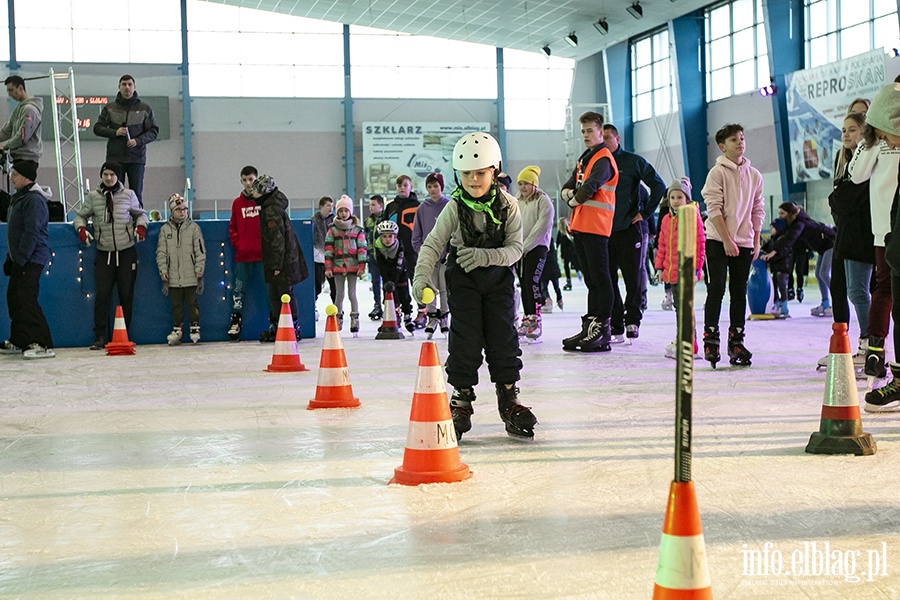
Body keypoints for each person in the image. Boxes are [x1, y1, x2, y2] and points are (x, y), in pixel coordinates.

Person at [412, 131, 536, 440]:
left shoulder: (509, 206)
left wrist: (482, 256)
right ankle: (461, 399)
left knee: (503, 336)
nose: (473, 179)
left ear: (494, 171)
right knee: (465, 337)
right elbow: (432, 245)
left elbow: (515, 250)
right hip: (464, 280)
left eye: (480, 173)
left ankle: (509, 398)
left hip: (498, 281)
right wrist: (421, 277)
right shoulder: (454, 208)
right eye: (467, 173)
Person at [701, 123, 765, 368]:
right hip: (718, 240)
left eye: (741, 138)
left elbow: (758, 209)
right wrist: (727, 239)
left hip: (745, 242)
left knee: (739, 291)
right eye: (733, 140)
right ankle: (711, 338)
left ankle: (736, 340)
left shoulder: (755, 175)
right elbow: (713, 208)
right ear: (722, 146)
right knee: (716, 288)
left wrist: (755, 239)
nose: (740, 142)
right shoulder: (717, 173)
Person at [73, 161, 148, 350]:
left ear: (118, 176)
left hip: (126, 252)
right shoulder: (93, 197)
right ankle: (99, 336)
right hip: (104, 252)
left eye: (112, 174)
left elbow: (141, 214)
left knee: (126, 295)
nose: (108, 178)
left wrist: (141, 226)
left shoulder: (128, 195)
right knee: (102, 296)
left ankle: (124, 334)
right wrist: (81, 229)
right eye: (105, 174)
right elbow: (80, 216)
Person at [560, 111, 618, 352]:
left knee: (601, 278)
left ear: (600, 131)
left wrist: (572, 200)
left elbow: (590, 187)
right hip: (582, 226)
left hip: (596, 226)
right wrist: (568, 193)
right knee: (591, 280)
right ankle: (590, 324)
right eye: (583, 131)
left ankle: (602, 327)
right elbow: (570, 184)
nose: (586, 135)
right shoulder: (585, 158)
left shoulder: (603, 159)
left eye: (590, 131)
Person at [602, 124, 666, 343]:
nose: (605, 141)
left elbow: (659, 186)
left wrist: (645, 213)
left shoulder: (632, 161)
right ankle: (616, 322)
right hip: (604, 231)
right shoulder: (596, 163)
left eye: (608, 137)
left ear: (617, 138)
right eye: (601, 138)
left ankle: (633, 321)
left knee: (633, 279)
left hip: (630, 230)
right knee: (608, 280)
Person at [858, 83, 900, 410]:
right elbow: (856, 174)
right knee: (886, 290)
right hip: (885, 229)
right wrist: (866, 141)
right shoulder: (876, 142)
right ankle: (877, 351)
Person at [822, 111, 874, 369]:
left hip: (862, 237)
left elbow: (844, 199)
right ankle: (862, 343)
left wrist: (838, 196)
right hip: (848, 236)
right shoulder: (846, 162)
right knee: (851, 291)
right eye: (843, 129)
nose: (845, 134)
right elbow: (838, 200)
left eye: (852, 129)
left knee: (858, 292)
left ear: (864, 132)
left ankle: (869, 344)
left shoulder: (865, 162)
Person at [0, 160, 54, 358]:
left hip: (32, 259)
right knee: (14, 298)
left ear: (25, 177)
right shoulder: (19, 199)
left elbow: (31, 232)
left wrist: (21, 260)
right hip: (20, 258)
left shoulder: (34, 200)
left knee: (26, 299)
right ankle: (20, 339)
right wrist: (10, 258)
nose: (11, 178)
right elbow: (15, 233)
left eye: (14, 174)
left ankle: (42, 343)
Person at [251, 174, 308, 342]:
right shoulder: (270, 207)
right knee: (275, 295)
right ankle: (279, 327)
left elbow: (277, 240)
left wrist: (276, 265)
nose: (252, 192)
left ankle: (292, 327)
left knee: (283, 294)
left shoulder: (271, 210)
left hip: (282, 263)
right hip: (281, 261)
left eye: (255, 190)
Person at [654, 178, 705, 359]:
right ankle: (683, 339)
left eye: (679, 197)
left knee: (685, 308)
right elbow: (662, 245)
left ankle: (690, 344)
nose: (676, 200)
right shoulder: (667, 219)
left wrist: (698, 268)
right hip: (672, 271)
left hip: (686, 270)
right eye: (673, 197)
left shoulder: (692, 216)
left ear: (687, 199)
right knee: (679, 307)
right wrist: (659, 268)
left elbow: (700, 243)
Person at [92, 75, 158, 207]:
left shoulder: (145, 108)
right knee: (114, 193)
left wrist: (138, 141)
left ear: (134, 87)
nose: (126, 87)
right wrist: (115, 132)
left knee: (136, 194)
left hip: (136, 159)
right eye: (124, 84)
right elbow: (97, 128)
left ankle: (138, 224)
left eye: (129, 84)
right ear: (119, 87)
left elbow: (153, 131)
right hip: (115, 159)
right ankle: (114, 222)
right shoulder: (109, 108)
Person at [762, 202, 835, 317]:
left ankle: (838, 302)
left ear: (790, 213)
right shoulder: (794, 223)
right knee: (819, 274)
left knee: (824, 273)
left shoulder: (800, 223)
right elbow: (784, 237)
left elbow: (790, 239)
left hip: (832, 244)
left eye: (782, 213)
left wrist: (774, 251)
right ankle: (825, 304)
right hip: (823, 247)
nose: (780, 216)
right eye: (779, 213)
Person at [157, 193, 206, 345]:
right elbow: (161, 252)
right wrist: (163, 270)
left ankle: (194, 327)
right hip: (173, 277)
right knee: (176, 305)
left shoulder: (193, 229)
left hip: (191, 275)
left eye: (185, 209)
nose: (183, 212)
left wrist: (199, 268)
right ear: (172, 211)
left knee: (192, 303)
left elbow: (200, 251)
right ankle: (177, 328)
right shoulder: (165, 230)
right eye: (179, 209)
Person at [514, 165, 554, 343]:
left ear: (534, 184)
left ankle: (536, 319)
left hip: (537, 248)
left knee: (532, 281)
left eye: (526, 184)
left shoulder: (543, 201)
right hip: (520, 249)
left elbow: (541, 227)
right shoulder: (517, 200)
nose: (523, 188)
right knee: (523, 283)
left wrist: (525, 247)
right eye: (520, 184)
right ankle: (527, 317)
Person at [226, 165, 263, 341]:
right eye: (245, 180)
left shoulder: (264, 201)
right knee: (238, 289)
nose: (249, 183)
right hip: (243, 255)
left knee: (269, 289)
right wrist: (238, 244)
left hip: (263, 256)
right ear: (241, 181)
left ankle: (277, 321)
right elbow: (232, 227)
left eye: (252, 180)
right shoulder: (237, 203)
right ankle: (235, 320)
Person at [412, 172, 451, 337]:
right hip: (429, 258)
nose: (433, 189)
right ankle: (432, 317)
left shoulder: (449, 206)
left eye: (436, 185)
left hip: (446, 257)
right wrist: (423, 254)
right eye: (429, 186)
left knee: (444, 288)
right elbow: (416, 235)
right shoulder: (422, 208)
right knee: (429, 286)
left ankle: (444, 316)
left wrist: (450, 252)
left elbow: (454, 232)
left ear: (441, 186)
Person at [384, 174, 424, 328]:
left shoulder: (418, 206)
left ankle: (422, 311)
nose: (402, 188)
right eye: (399, 185)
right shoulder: (391, 206)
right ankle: (396, 312)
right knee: (396, 283)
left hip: (412, 251)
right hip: (393, 253)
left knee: (417, 281)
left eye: (405, 185)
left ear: (411, 187)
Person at [324, 195, 367, 334]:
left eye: (346, 211)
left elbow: (362, 249)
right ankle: (338, 318)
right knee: (339, 294)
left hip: (353, 266)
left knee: (352, 294)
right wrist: (328, 267)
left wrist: (361, 266)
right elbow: (329, 249)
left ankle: (355, 317)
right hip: (337, 266)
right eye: (341, 211)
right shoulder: (332, 230)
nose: (343, 214)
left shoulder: (357, 230)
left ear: (350, 212)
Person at [373, 220, 413, 329]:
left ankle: (408, 316)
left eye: (390, 236)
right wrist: (387, 281)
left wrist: (394, 281)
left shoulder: (400, 246)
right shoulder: (378, 247)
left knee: (404, 295)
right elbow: (380, 266)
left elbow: (399, 266)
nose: (387, 239)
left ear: (395, 236)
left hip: (400, 272)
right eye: (384, 236)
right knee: (389, 295)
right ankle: (391, 316)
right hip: (387, 273)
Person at [0, 76, 42, 164]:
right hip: (18, 159)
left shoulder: (30, 110)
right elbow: (7, 131)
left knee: (15, 178)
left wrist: (5, 146)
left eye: (11, 90)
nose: (9, 94)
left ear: (20, 88)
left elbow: (22, 136)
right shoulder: (18, 109)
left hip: (27, 160)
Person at [760, 218, 792, 317]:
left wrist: (769, 258)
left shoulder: (782, 240)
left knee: (782, 286)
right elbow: (765, 248)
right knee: (774, 286)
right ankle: (777, 303)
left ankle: (784, 306)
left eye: (772, 228)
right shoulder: (772, 239)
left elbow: (780, 253)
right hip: (776, 267)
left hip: (783, 267)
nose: (771, 229)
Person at [312, 196, 337, 314]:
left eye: (332, 206)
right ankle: (313, 306)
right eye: (328, 205)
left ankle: (337, 307)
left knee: (334, 285)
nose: (330, 208)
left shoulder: (335, 221)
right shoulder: (313, 221)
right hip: (317, 259)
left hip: (332, 259)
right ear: (321, 207)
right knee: (317, 285)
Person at [364, 194, 385, 320]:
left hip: (384, 256)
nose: (370, 207)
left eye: (373, 205)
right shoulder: (368, 221)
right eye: (370, 205)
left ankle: (389, 303)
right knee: (375, 282)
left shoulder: (385, 219)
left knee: (387, 281)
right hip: (372, 257)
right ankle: (377, 304)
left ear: (381, 206)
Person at [556, 216, 580, 290]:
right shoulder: (569, 231)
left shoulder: (562, 233)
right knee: (576, 265)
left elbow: (558, 243)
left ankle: (569, 280)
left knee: (567, 267)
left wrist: (560, 255)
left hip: (567, 253)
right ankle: (578, 273)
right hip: (572, 252)